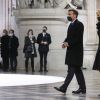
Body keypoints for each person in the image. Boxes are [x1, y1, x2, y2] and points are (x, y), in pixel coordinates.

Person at [54, 9, 86, 94]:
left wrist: (68, 43)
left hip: (76, 52)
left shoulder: (80, 25)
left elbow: (78, 38)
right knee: (78, 71)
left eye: (70, 14)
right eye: (68, 14)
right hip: (71, 51)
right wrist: (64, 43)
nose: (68, 15)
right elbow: (69, 37)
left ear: (75, 15)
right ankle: (83, 88)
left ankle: (64, 88)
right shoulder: (70, 25)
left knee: (71, 71)